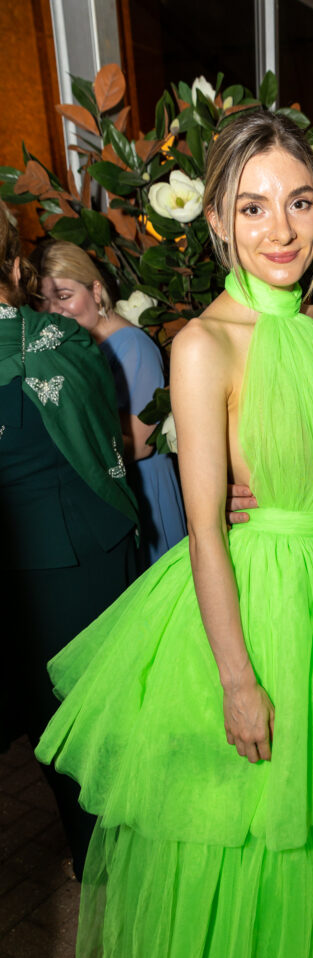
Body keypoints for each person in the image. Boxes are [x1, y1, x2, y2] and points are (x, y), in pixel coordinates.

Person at [36, 110, 313, 958]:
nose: (278, 230)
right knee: (248, 841)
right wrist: (235, 677)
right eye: (251, 208)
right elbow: (207, 530)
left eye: (296, 202)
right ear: (215, 220)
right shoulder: (201, 343)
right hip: (255, 612)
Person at [0, 202, 139, 880]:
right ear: (19, 267)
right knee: (105, 712)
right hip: (82, 552)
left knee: (46, 718)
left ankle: (91, 852)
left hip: (22, 566)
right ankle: (126, 847)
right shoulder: (60, 341)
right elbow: (105, 448)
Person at [36, 241, 186, 568]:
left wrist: (71, 457)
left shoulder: (132, 345)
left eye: (64, 296)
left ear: (96, 289)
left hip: (145, 490)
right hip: (116, 488)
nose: (54, 311)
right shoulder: (83, 349)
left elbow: (143, 444)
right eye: (44, 301)